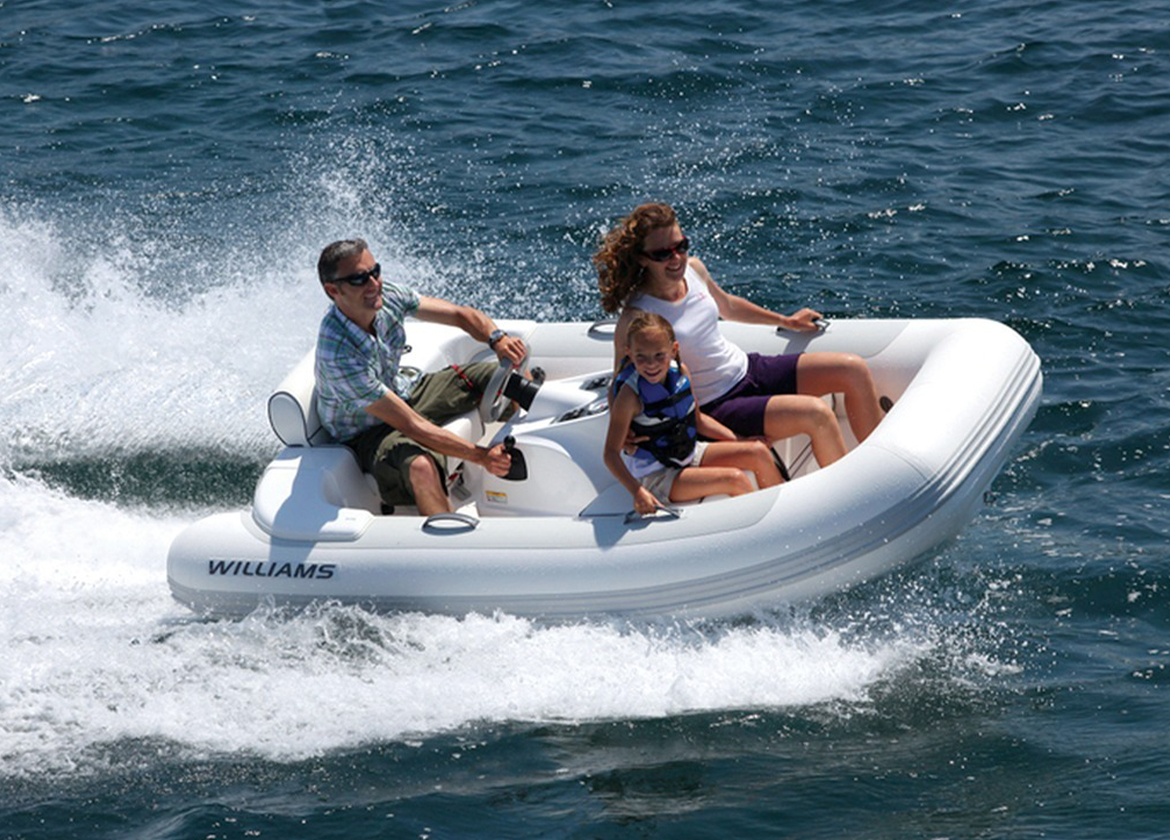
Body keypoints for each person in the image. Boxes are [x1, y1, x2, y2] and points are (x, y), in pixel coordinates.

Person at [595, 203, 886, 467]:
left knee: (852, 368)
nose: (676, 258)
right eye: (662, 253)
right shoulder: (638, 315)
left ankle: (882, 465)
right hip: (717, 404)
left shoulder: (694, 270)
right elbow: (622, 380)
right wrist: (624, 430)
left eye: (681, 246)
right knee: (817, 413)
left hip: (748, 369)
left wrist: (787, 320)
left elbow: (729, 306)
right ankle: (854, 495)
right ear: (642, 259)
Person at [314, 238, 527, 516]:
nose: (373, 283)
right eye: (359, 279)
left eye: (375, 271)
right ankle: (444, 542)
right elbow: (413, 426)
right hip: (365, 433)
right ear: (333, 290)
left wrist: (496, 339)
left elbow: (459, 315)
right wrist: (481, 456)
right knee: (421, 467)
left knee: (506, 379)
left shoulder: (385, 296)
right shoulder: (338, 354)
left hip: (402, 392)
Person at [604, 312, 782, 515]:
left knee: (758, 452)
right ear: (629, 353)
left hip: (689, 453)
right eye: (641, 357)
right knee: (735, 479)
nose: (651, 364)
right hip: (657, 475)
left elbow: (698, 420)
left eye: (659, 355)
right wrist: (637, 491)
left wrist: (741, 440)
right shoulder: (629, 397)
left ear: (673, 350)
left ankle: (782, 515)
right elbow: (610, 454)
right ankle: (764, 529)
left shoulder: (681, 372)